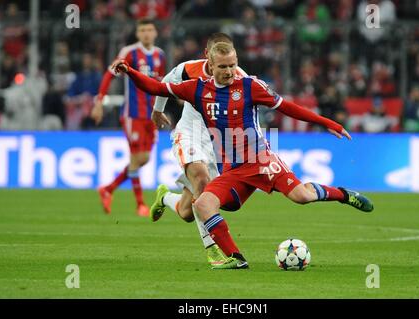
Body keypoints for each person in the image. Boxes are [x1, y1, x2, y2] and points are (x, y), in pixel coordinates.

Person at [112, 42, 374, 269]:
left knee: (301, 196)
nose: (229, 72)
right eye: (223, 67)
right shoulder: (196, 89)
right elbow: (155, 88)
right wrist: (130, 72)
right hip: (233, 170)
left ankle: (343, 194)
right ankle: (236, 259)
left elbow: (289, 107)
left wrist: (326, 122)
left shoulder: (250, 86)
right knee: (202, 205)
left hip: (261, 161)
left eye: (232, 65)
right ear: (210, 65)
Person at [149, 33, 249, 268]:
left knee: (186, 211)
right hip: (189, 135)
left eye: (229, 61)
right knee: (202, 182)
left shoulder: (239, 78)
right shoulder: (188, 69)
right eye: (219, 59)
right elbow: (165, 84)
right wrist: (157, 111)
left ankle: (164, 196)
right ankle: (212, 250)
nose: (226, 67)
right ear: (208, 56)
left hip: (216, 146)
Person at [91, 18, 166, 217]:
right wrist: (99, 101)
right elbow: (109, 75)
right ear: (138, 33)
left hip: (152, 115)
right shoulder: (129, 53)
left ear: (156, 33)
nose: (147, 33)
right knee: (136, 158)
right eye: (143, 30)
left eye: (150, 29)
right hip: (133, 114)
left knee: (144, 159)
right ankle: (140, 204)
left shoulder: (160, 55)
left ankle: (108, 188)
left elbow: (162, 85)